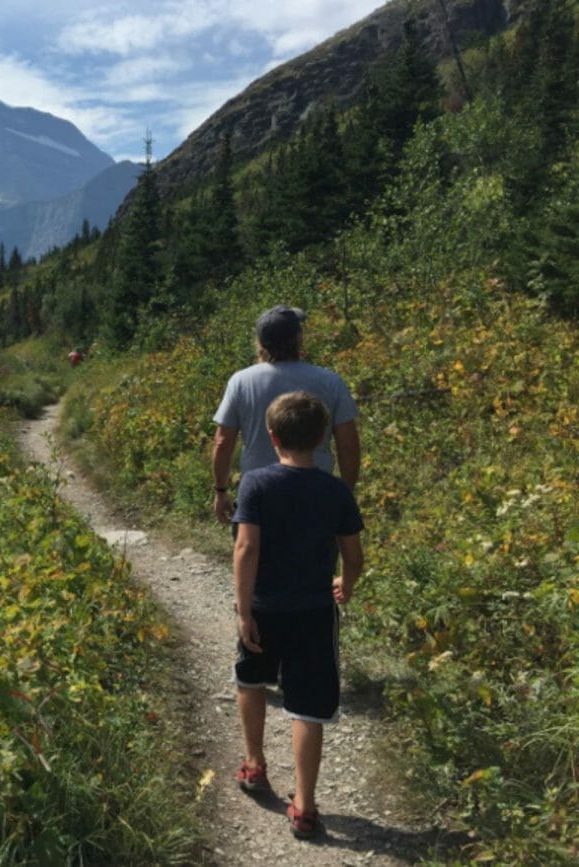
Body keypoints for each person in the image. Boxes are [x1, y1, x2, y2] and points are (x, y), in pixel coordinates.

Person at [231, 391, 364, 839]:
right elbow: (353, 554)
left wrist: (243, 609)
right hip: (314, 612)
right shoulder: (336, 490)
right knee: (308, 707)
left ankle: (254, 764)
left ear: (272, 437)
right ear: (324, 437)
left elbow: (246, 548)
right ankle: (305, 805)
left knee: (251, 680)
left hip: (265, 608)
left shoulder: (255, 483)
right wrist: (346, 583)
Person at [211, 305, 360, 523]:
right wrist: (344, 494)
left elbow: (223, 442)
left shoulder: (240, 382)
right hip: (316, 492)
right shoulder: (330, 381)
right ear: (299, 339)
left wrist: (221, 490)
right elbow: (348, 445)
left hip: (259, 494)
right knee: (316, 556)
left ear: (260, 342)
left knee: (255, 554)